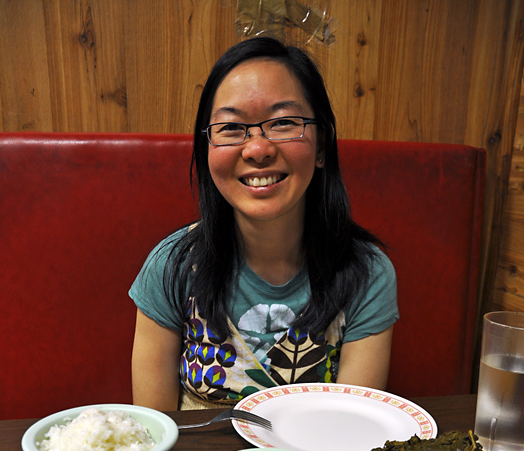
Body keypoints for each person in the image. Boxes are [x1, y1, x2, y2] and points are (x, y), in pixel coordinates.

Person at [129, 36, 399, 411]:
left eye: (284, 122)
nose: (257, 149)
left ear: (322, 146)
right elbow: (154, 431)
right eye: (231, 128)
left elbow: (351, 427)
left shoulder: (367, 273)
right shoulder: (173, 265)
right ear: (206, 149)